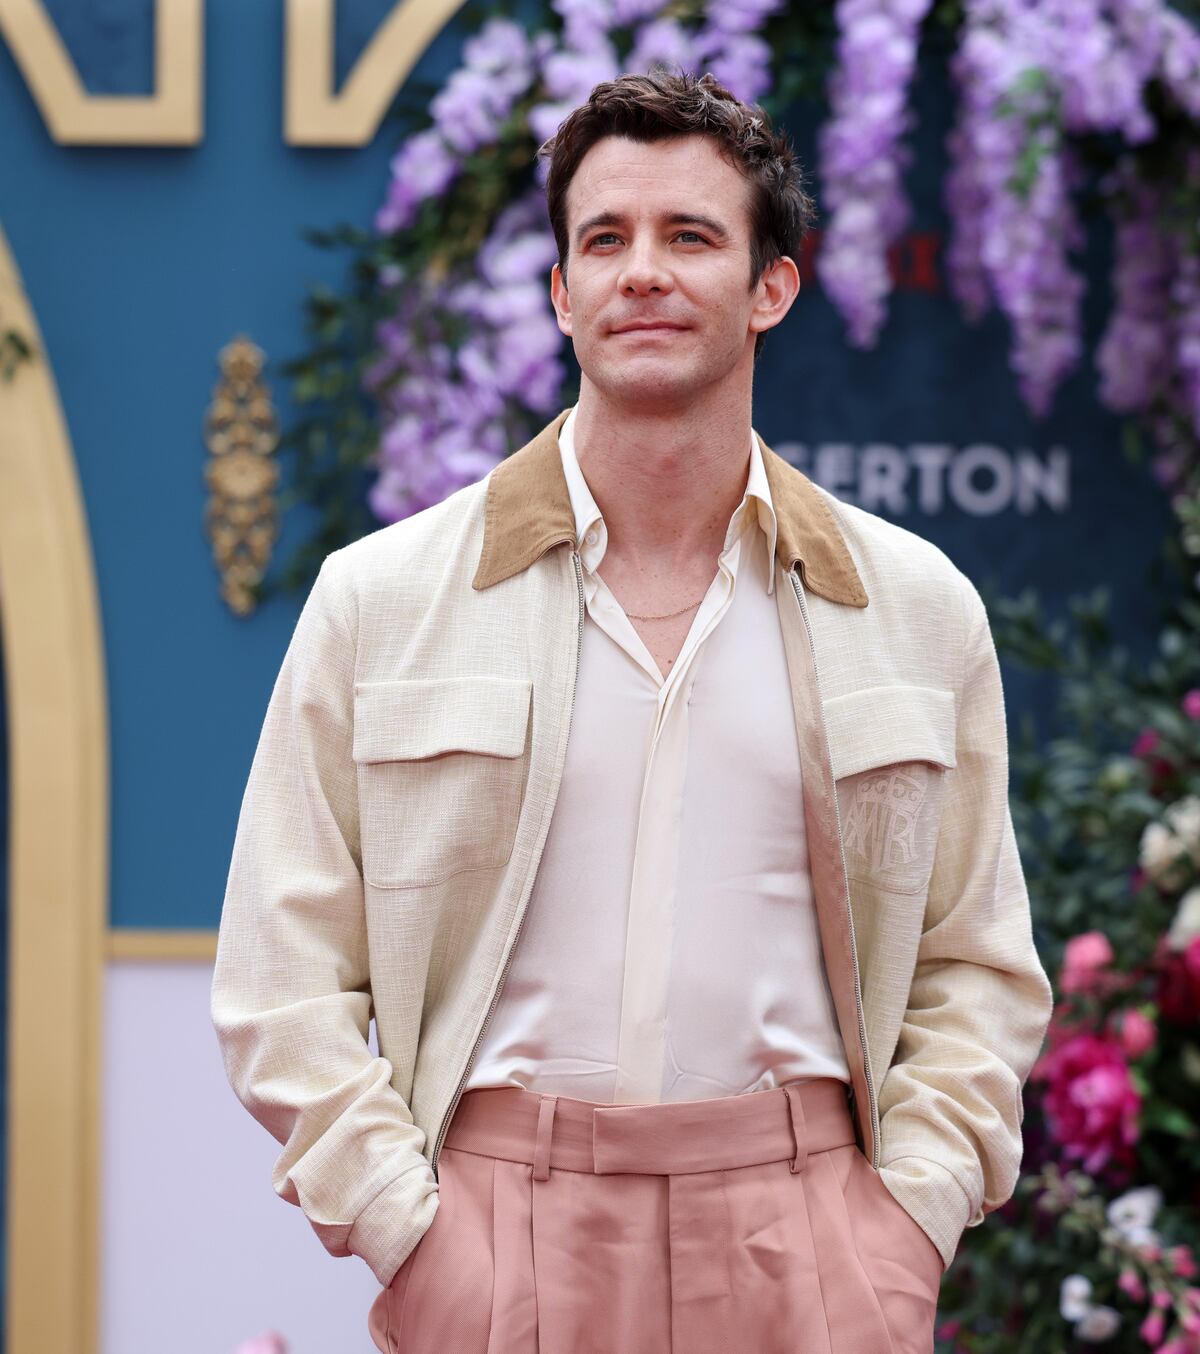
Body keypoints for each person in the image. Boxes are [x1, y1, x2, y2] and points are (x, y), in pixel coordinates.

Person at [211, 68, 1054, 1354]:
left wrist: (903, 1228)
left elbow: (976, 966)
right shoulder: (384, 598)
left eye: (691, 236)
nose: (642, 273)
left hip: (811, 1247)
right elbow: (281, 977)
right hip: (499, 1239)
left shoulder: (913, 608)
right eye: (604, 240)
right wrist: (412, 1235)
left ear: (773, 287)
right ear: (560, 292)